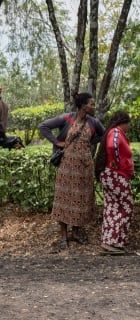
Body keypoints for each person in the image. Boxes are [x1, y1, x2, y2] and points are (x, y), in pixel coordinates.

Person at [38, 92, 105, 250]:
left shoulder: (94, 122)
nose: (93, 106)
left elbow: (104, 134)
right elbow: (43, 126)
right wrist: (57, 142)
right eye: (91, 104)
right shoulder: (67, 118)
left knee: (81, 200)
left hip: (84, 167)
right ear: (83, 106)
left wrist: (90, 142)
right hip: (67, 167)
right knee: (64, 200)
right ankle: (63, 236)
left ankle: (75, 232)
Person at [95, 111, 134, 254]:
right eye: (128, 124)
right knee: (125, 207)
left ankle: (108, 243)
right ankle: (114, 242)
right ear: (122, 122)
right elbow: (113, 147)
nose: (128, 127)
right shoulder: (116, 132)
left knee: (112, 208)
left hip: (110, 175)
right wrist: (117, 164)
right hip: (115, 174)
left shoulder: (111, 131)